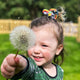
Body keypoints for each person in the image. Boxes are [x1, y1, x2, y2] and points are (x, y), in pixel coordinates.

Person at [1, 8, 65, 80]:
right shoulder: (33, 69)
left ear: (58, 49)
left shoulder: (59, 70)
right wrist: (19, 63)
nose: (36, 50)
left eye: (44, 45)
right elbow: (26, 66)